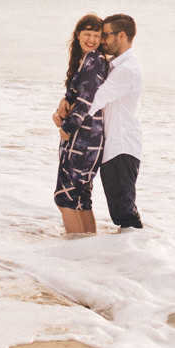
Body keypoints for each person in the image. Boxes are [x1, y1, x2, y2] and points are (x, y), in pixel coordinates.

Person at [62, 13, 142, 230]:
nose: (102, 40)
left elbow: (93, 101)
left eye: (105, 35)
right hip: (113, 148)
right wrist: (66, 100)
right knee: (120, 212)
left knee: (124, 215)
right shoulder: (115, 65)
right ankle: (118, 258)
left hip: (122, 148)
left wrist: (66, 124)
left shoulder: (127, 70)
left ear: (122, 36)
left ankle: (135, 258)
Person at [52, 14, 107, 234]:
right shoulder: (89, 60)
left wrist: (67, 129)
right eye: (87, 34)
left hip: (83, 138)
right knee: (81, 199)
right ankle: (87, 251)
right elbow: (79, 98)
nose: (92, 39)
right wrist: (61, 110)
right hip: (91, 138)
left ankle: (75, 253)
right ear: (78, 35)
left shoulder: (94, 59)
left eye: (97, 35)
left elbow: (85, 101)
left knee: (64, 198)